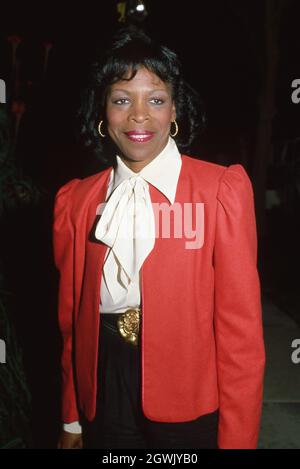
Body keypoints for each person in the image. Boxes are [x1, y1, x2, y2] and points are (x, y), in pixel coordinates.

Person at [53, 26, 266, 450]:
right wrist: (72, 416)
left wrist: (239, 439)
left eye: (155, 99)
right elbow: (71, 320)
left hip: (189, 393)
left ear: (175, 111)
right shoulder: (76, 201)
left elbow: (241, 332)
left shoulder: (220, 190)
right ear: (102, 113)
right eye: (121, 100)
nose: (138, 115)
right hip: (104, 385)